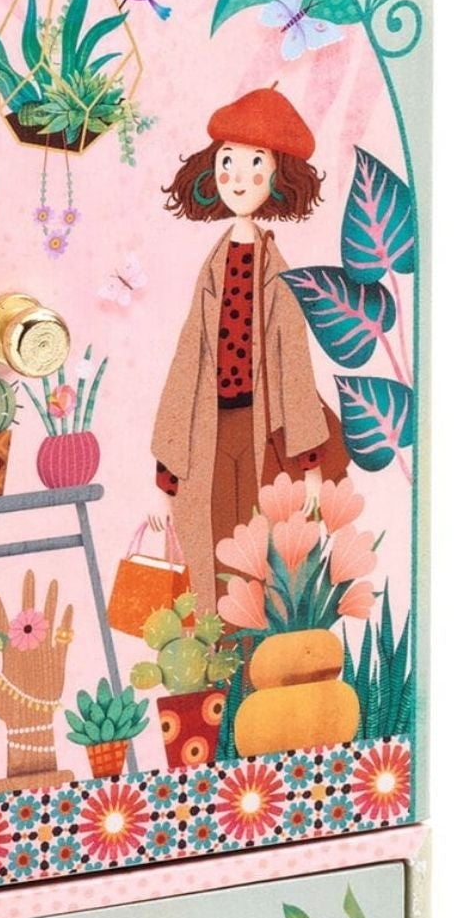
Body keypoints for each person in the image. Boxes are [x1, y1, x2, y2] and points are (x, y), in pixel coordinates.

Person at [150, 86, 348, 611]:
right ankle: (216, 648)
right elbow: (188, 361)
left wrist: (310, 464)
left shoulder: (275, 271)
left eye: (254, 162)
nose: (237, 176)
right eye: (227, 161)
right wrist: (168, 468)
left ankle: (255, 649)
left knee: (261, 542)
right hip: (209, 426)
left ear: (279, 174)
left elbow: (292, 365)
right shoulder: (213, 268)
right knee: (211, 536)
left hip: (264, 427)